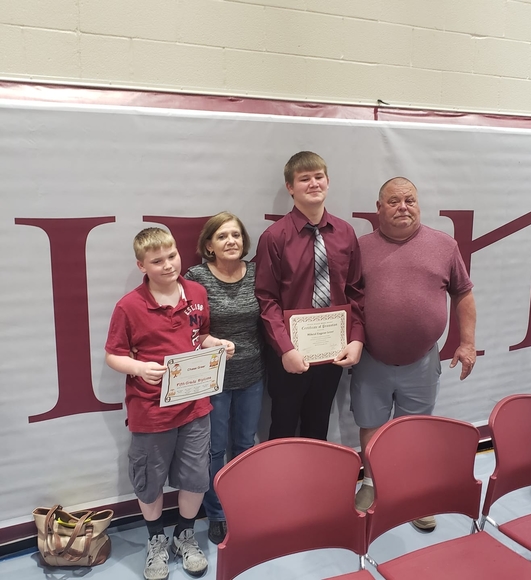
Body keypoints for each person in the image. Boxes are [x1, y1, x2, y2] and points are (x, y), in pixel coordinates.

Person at [105, 227, 234, 580]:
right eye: (157, 261)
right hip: (150, 411)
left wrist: (217, 344)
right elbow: (113, 355)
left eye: (172, 256)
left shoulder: (196, 292)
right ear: (141, 266)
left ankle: (184, 535)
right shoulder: (129, 306)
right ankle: (156, 540)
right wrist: (138, 368)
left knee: (195, 477)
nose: (168, 265)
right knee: (149, 480)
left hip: (195, 406)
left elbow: (200, 335)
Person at [351, 177, 477, 532]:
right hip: (371, 359)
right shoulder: (359, 249)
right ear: (379, 208)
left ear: (418, 205)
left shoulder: (444, 245)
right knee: (371, 425)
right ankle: (371, 484)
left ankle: (410, 490)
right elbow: (347, 301)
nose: (403, 207)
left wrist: (467, 343)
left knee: (415, 429)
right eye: (394, 201)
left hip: (422, 361)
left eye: (409, 200)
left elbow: (463, 294)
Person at [255, 151, 365, 440]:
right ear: (290, 187)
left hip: (332, 352)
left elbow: (355, 291)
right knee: (283, 428)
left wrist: (356, 338)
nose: (314, 183)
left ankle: (315, 472)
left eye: (319, 177)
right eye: (304, 179)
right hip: (289, 354)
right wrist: (286, 349)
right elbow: (266, 299)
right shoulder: (274, 237)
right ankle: (282, 473)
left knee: (318, 428)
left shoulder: (345, 233)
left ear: (328, 181)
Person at [184, 212, 264, 546]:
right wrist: (211, 343)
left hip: (252, 375)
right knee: (214, 449)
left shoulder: (257, 273)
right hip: (211, 379)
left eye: (236, 235)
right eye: (222, 236)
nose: (231, 241)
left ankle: (242, 507)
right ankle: (216, 513)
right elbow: (187, 329)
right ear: (209, 245)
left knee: (245, 445)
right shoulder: (196, 277)